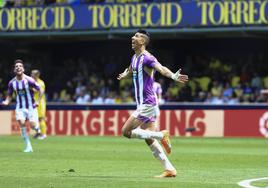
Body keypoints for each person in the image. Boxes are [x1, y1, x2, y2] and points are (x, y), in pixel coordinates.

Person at [117, 29, 188, 178]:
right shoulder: (134, 57)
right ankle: (170, 169)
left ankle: (161, 135)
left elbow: (161, 68)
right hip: (143, 103)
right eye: (133, 36)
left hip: (147, 103)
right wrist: (125, 74)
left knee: (126, 131)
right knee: (148, 138)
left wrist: (173, 76)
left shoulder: (148, 58)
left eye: (136, 36)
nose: (132, 38)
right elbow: (131, 68)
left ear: (142, 41)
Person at [2, 60, 43, 152]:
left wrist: (38, 101)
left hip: (31, 107)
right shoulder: (12, 83)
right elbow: (9, 96)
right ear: (14, 70)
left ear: (23, 69)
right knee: (22, 124)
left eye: (20, 66)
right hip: (20, 107)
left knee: (32, 126)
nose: (18, 67)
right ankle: (28, 146)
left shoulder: (29, 80)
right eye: (16, 66)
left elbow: (40, 90)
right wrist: (6, 102)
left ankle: (37, 129)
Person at [31, 69, 47, 139]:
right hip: (34, 103)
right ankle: (38, 133)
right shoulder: (32, 82)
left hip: (40, 103)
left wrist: (38, 101)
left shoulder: (41, 83)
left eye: (33, 74)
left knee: (41, 118)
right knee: (34, 119)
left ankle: (43, 134)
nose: (31, 75)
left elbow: (41, 92)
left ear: (37, 75)